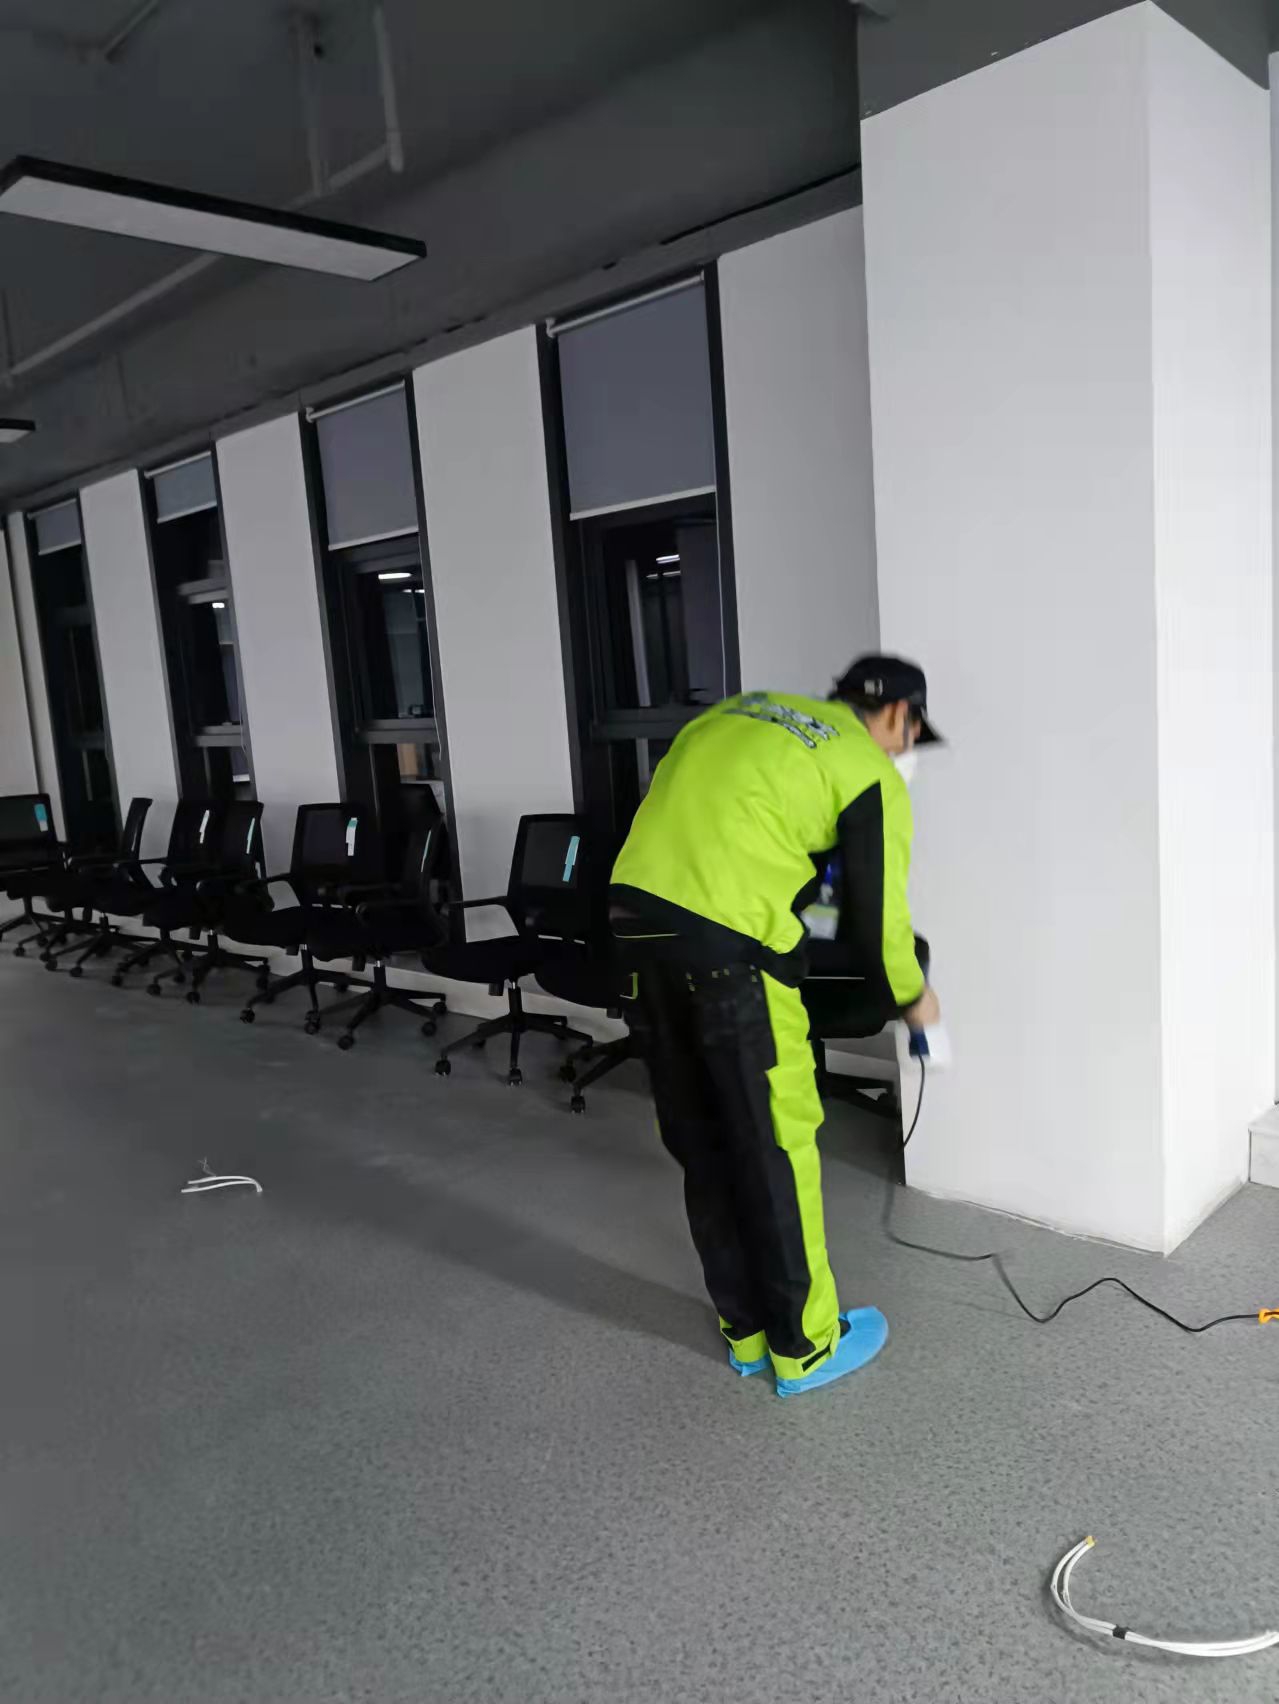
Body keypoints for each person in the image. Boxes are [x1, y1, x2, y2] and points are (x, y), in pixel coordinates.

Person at [610, 655, 941, 1398]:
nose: (906, 749)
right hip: (729, 959)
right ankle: (806, 1347)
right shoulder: (867, 770)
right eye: (911, 735)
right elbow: (878, 924)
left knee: (702, 1141)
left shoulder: (738, 711)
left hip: (632, 930)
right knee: (774, 1146)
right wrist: (915, 998)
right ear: (900, 717)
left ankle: (746, 1333)